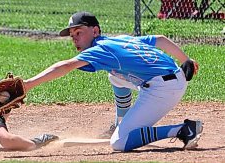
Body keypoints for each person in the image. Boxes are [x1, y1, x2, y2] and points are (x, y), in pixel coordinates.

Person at [23, 11, 203, 152]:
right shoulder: (119, 39)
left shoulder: (100, 49)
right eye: (72, 35)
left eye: (79, 32)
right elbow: (160, 39)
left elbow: (65, 66)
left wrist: (28, 84)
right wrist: (186, 60)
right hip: (172, 77)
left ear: (95, 31)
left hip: (162, 89)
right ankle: (121, 123)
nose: (75, 38)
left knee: (119, 142)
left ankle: (182, 130)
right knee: (115, 76)